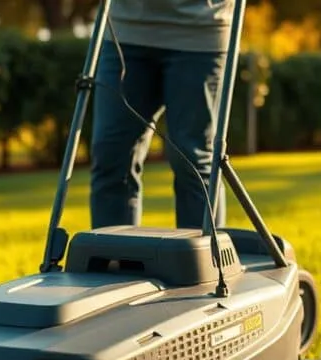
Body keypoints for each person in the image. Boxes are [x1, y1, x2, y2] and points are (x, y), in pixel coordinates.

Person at [89, 0, 231, 231]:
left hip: (199, 30)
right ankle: (112, 260)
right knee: (110, 155)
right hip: (123, 31)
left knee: (191, 157)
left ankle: (205, 261)